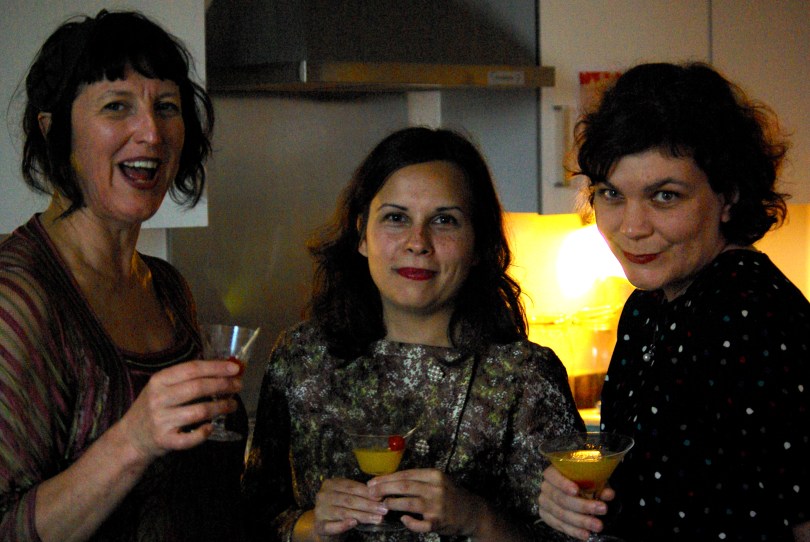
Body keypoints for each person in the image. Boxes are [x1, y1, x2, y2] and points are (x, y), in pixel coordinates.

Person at [242, 126, 584, 541]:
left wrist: (476, 517)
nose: (417, 242)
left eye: (444, 220)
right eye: (396, 218)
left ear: (478, 245)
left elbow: (573, 537)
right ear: (361, 234)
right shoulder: (301, 357)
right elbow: (251, 518)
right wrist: (314, 525)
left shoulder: (525, 377)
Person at [0, 10, 248, 542]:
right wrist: (133, 439)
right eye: (117, 107)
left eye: (166, 107)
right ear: (54, 131)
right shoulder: (15, 297)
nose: (151, 132)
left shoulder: (165, 287)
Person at [537, 62, 810, 541]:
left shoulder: (753, 316)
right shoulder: (649, 307)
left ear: (727, 195)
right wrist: (575, 497)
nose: (631, 226)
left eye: (665, 195)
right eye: (611, 194)